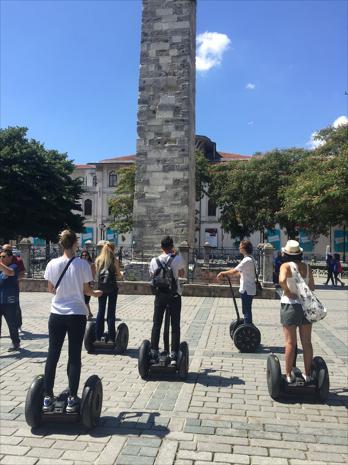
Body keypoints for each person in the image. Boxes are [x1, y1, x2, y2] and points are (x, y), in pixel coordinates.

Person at [43, 230, 102, 413]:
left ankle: (46, 397)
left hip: (57, 314)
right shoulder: (83, 264)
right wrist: (96, 293)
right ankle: (71, 400)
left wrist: (64, 292)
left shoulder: (52, 263)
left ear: (61, 244)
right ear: (76, 243)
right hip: (76, 314)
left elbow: (51, 289)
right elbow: (86, 290)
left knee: (53, 354)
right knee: (74, 356)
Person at [279, 240, 315, 384]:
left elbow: (281, 280)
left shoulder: (285, 266)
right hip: (306, 306)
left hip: (290, 306)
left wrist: (287, 290)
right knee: (307, 342)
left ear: (286, 253)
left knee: (290, 342)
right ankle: (308, 374)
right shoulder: (307, 267)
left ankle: (288, 375)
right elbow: (312, 286)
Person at [149, 236, 185, 366]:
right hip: (174, 295)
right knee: (175, 325)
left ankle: (153, 351)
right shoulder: (178, 258)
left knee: (157, 323)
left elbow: (152, 276)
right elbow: (182, 274)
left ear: (161, 247)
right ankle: (174, 353)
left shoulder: (154, 260)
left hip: (160, 295)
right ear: (172, 246)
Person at [217, 240, 256, 325]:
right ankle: (247, 326)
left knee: (246, 311)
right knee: (246, 310)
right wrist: (229, 275)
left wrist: (223, 273)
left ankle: (247, 328)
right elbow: (240, 272)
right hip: (248, 288)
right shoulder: (250, 258)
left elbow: (235, 271)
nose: (239, 247)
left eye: (240, 246)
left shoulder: (247, 260)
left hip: (247, 289)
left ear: (243, 248)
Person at [95, 242, 122, 342]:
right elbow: (119, 275)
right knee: (111, 312)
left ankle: (98, 336)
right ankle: (111, 337)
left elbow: (97, 274)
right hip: (112, 288)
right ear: (113, 250)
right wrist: (119, 274)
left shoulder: (98, 260)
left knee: (100, 311)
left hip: (101, 288)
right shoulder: (114, 260)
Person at [0, 249, 21, 351]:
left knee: (12, 324)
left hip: (9, 301)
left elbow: (9, 272)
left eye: (3, 256)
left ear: (10, 257)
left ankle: (15, 342)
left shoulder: (14, 267)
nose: (1, 258)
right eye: (1, 256)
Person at [2, 244, 25, 333]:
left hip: (13, 288)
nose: (5, 252)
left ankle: (18, 325)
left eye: (8, 251)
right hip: (2, 287)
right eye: (4, 250)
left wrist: (13, 278)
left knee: (15, 307)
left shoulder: (17, 260)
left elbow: (22, 273)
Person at [80, 249, 96, 320]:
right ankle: (87, 313)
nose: (84, 256)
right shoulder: (79, 264)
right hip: (81, 283)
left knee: (86, 300)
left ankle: (89, 313)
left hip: (88, 283)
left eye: (85, 255)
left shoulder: (91, 264)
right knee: (82, 299)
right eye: (83, 255)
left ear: (88, 256)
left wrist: (92, 284)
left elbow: (93, 275)